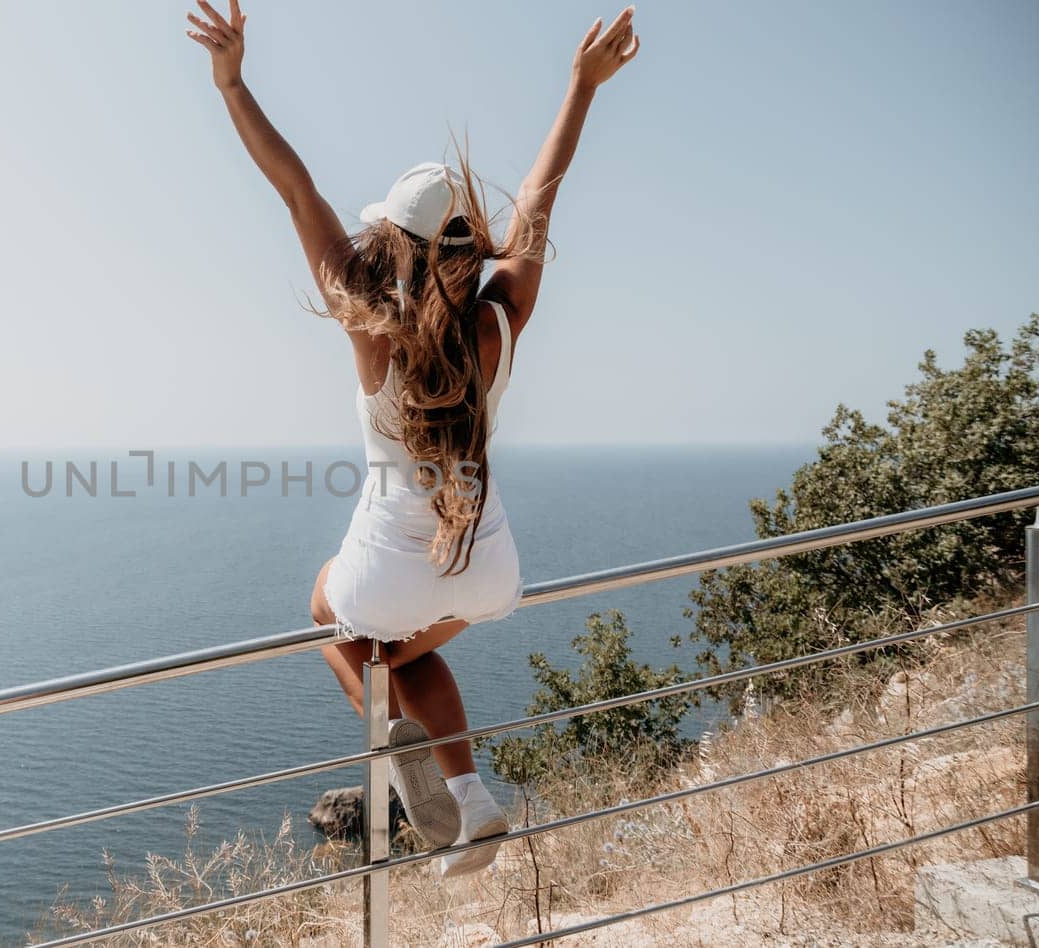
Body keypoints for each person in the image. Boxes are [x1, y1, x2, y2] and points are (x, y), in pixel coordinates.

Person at [187, 1, 640, 876]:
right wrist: (581, 89)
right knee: (397, 653)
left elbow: (296, 189)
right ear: (469, 248)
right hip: (487, 566)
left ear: (392, 241)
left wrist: (233, 82)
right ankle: (467, 795)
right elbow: (542, 199)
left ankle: (396, 747)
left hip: (387, 566)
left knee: (325, 612)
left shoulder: (369, 329)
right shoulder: (502, 323)